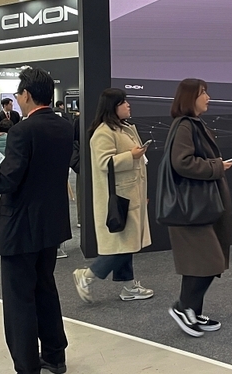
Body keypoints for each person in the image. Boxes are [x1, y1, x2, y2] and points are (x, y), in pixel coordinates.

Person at [0, 68, 73, 374]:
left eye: (19, 93)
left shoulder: (23, 131)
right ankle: (55, 356)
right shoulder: (63, 126)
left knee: (19, 300)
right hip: (50, 223)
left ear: (27, 95)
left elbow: (9, 180)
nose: (18, 98)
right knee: (45, 290)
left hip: (20, 227)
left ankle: (27, 365)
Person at [166, 78, 232, 337]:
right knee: (210, 261)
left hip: (200, 207)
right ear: (190, 97)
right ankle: (183, 307)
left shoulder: (192, 124)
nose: (208, 97)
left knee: (199, 263)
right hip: (192, 209)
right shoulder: (185, 126)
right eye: (203, 93)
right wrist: (216, 166)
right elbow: (182, 162)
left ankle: (192, 311)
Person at [73, 89, 153, 303]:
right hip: (119, 197)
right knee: (122, 245)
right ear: (112, 106)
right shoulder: (103, 132)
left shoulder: (124, 128)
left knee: (127, 242)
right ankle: (87, 275)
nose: (128, 105)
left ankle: (128, 286)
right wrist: (131, 156)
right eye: (123, 102)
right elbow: (104, 163)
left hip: (130, 193)